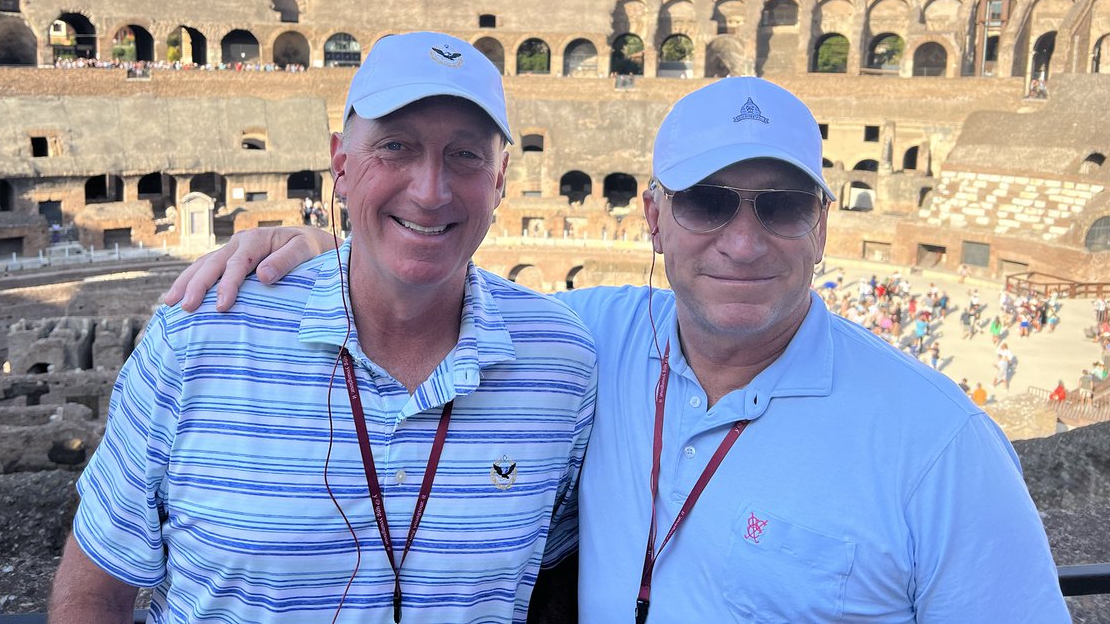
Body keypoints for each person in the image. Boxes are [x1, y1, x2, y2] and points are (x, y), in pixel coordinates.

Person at [168, 76, 1069, 622]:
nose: (743, 242)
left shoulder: (940, 446)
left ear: (824, 225)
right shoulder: (586, 338)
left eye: (781, 206)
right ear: (654, 218)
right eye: (709, 203)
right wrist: (335, 249)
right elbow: (439, 280)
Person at [49, 32, 597, 623]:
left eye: (466, 155)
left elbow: (554, 579)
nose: (430, 190)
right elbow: (96, 589)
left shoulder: (562, 363)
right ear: (340, 165)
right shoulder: (197, 339)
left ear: (499, 179)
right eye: (395, 147)